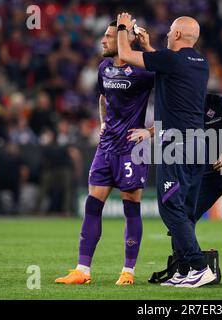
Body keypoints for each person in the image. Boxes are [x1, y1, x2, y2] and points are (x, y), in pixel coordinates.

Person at [117, 12, 216, 287]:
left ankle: (198, 266)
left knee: (170, 207)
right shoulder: (200, 62)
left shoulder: (171, 60)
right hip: (198, 144)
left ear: (176, 35)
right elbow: (166, 66)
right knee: (183, 209)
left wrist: (124, 27)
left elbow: (124, 53)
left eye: (171, 30)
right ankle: (183, 270)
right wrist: (149, 48)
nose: (168, 34)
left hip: (177, 144)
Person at [55, 20, 154, 286]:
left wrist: (152, 132)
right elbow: (103, 98)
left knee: (130, 208)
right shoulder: (104, 68)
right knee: (91, 205)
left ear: (124, 41)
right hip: (106, 147)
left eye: (109, 36)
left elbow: (174, 93)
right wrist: (102, 122)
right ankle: (82, 270)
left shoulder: (144, 70)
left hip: (133, 149)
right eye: (105, 35)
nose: (103, 40)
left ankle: (128, 271)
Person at [129, 93, 222, 285]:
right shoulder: (185, 107)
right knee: (184, 215)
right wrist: (149, 132)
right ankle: (183, 271)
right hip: (211, 168)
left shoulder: (221, 104)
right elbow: (170, 126)